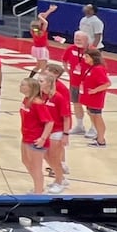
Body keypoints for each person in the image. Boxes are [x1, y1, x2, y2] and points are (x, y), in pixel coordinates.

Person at [19, 76, 56, 194]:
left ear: (30, 87)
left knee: (36, 168)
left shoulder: (37, 103)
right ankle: (38, 186)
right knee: (25, 161)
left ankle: (38, 192)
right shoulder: (26, 100)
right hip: (26, 136)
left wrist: (43, 138)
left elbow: (50, 122)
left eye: (23, 84)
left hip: (36, 139)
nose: (20, 86)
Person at [43, 61, 73, 193]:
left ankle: (60, 179)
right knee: (47, 154)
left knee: (54, 155)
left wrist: (65, 134)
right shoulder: (44, 92)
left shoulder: (61, 91)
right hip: (48, 127)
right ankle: (60, 177)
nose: (44, 74)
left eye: (47, 71)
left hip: (58, 127)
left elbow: (65, 113)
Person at [81, 49, 110, 147]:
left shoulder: (98, 69)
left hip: (96, 98)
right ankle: (99, 136)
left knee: (97, 117)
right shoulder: (91, 67)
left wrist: (95, 90)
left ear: (93, 58)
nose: (84, 58)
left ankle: (101, 140)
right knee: (91, 114)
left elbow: (107, 83)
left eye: (87, 57)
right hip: (89, 97)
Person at [65, 31, 90, 134]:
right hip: (74, 82)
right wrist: (67, 71)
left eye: (79, 40)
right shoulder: (71, 49)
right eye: (76, 39)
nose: (77, 41)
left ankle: (94, 128)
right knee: (76, 103)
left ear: (86, 40)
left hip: (86, 84)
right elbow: (64, 60)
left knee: (90, 106)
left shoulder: (91, 51)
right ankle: (80, 126)